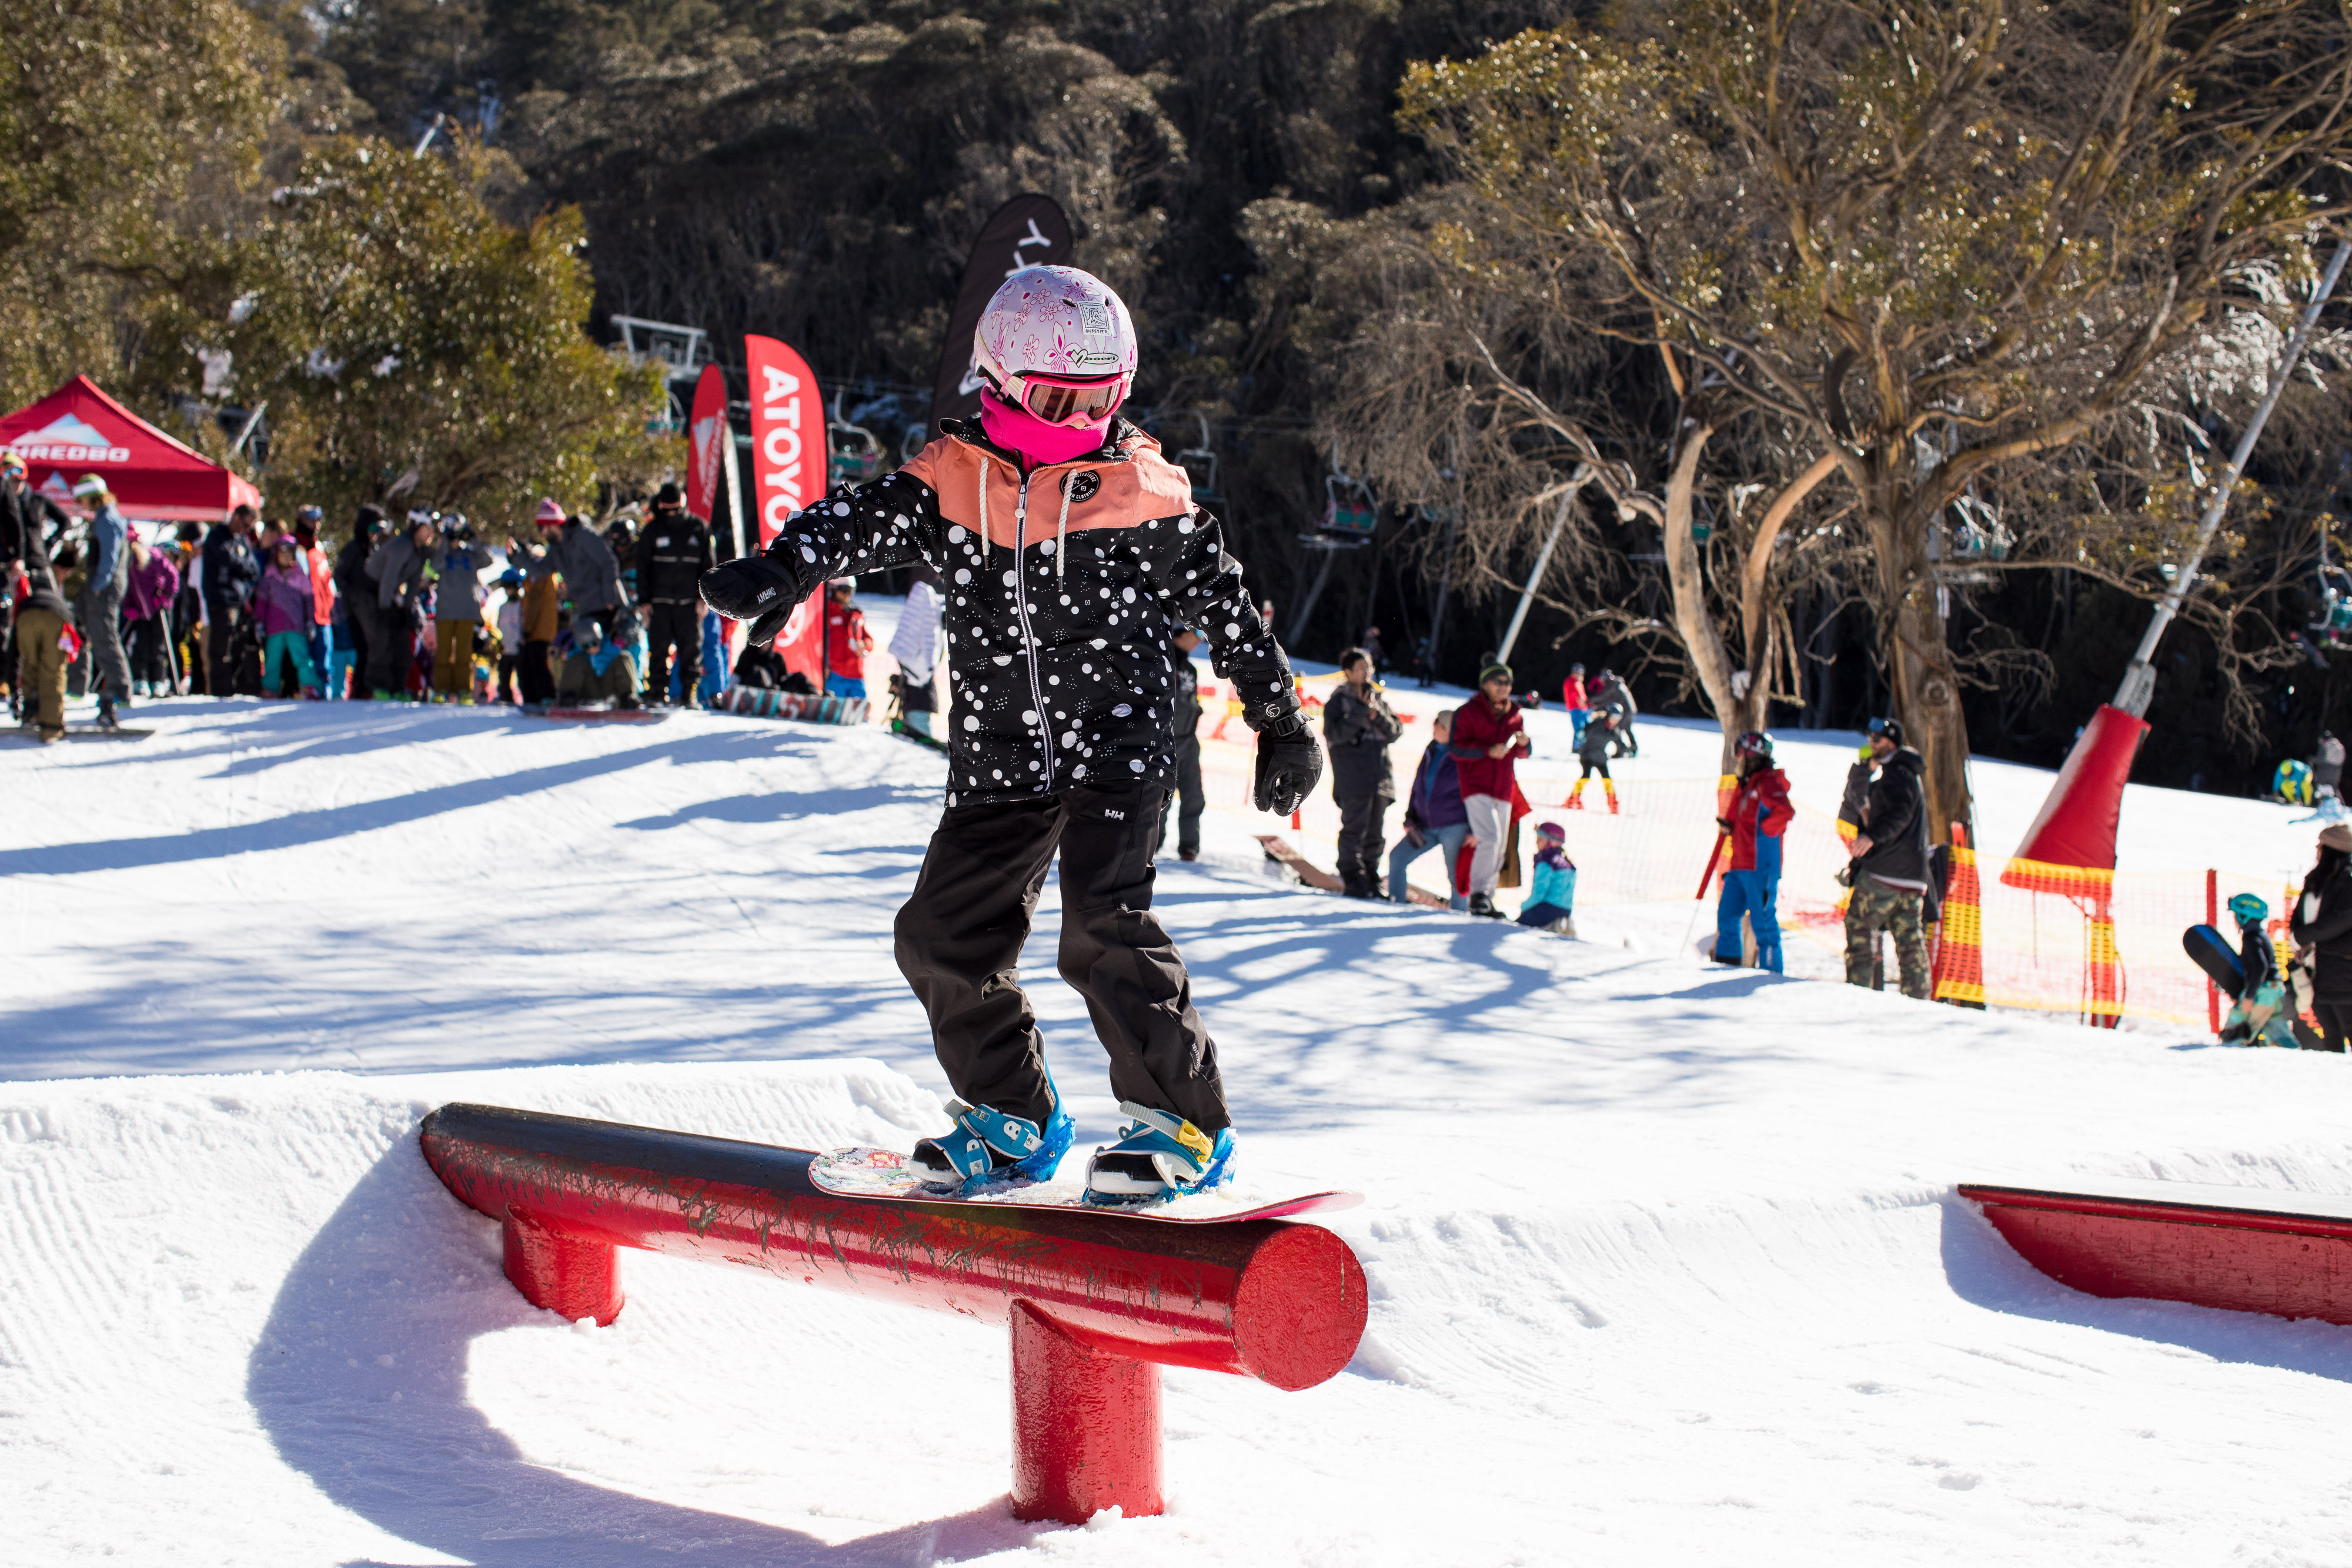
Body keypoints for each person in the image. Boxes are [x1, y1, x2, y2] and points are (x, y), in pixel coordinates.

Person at [698, 263, 1319, 1206]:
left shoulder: (1136, 486)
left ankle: (1180, 1122)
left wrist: (1279, 718)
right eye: (1059, 400)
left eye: (1102, 399)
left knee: (1103, 928)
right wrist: (783, 568)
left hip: (1119, 738)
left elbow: (1224, 600)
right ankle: (1012, 1113)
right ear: (997, 380)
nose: (1082, 421)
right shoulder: (949, 480)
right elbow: (858, 518)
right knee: (942, 937)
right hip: (1000, 752)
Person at [1843, 716, 1933, 998]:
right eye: (1869, 737)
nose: (1871, 743)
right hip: (1912, 877)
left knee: (1859, 926)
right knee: (1909, 940)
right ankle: (1918, 1001)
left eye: (1877, 739)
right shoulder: (1902, 773)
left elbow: (1900, 815)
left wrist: (1872, 837)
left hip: (1886, 871)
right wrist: (1865, 769)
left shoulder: (1897, 773)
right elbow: (1858, 799)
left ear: (1892, 743)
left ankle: (1859, 994)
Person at [1450, 662, 1532, 918]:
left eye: (1507, 683)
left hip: (1504, 787)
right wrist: (1487, 751)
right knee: (1490, 837)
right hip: (1476, 785)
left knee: (1500, 845)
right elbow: (1456, 748)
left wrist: (1524, 745)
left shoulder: (1516, 715)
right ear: (1485, 684)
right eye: (1498, 682)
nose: (1504, 688)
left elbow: (1524, 754)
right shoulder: (1468, 711)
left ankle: (1487, 897)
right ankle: (1478, 895)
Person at [1324, 645, 1404, 897]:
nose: (1367, 672)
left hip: (1380, 776)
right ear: (1347, 672)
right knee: (1354, 829)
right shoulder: (1339, 701)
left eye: (1369, 667)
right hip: (1352, 776)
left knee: (1375, 832)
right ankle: (1351, 876)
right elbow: (1335, 735)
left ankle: (1371, 876)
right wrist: (1359, 712)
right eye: (1360, 668)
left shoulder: (1377, 699)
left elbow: (1395, 731)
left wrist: (1376, 715)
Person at [1714, 730, 1794, 972]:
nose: (1738, 758)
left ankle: (1772, 975)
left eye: (1741, 752)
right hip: (1739, 865)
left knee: (1763, 924)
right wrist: (1733, 827)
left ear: (1752, 754)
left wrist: (1764, 832)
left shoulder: (1768, 782)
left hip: (1761, 867)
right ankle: (1726, 968)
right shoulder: (1747, 783)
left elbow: (1784, 812)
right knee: (1727, 916)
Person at [639, 483, 714, 706]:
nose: (671, 515)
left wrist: (705, 598)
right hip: (659, 602)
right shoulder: (651, 531)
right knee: (658, 648)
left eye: (675, 510)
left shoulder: (699, 528)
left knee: (692, 648)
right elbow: (643, 569)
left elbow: (709, 567)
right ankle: (657, 691)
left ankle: (689, 692)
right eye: (667, 510)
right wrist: (644, 602)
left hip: (690, 603)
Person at [1388, 709, 1471, 909]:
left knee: (1456, 875)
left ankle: (1460, 917)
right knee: (1397, 858)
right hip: (1425, 824)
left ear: (1447, 729)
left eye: (1437, 723)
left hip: (1454, 826)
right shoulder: (1432, 749)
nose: (1433, 726)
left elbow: (1473, 794)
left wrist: (1473, 829)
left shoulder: (1463, 755)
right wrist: (1411, 816)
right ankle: (1394, 907)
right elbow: (1418, 785)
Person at [11, 483, 74, 741]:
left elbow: (65, 522)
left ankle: (49, 724)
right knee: (34, 661)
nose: (12, 481)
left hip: (37, 566)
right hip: (16, 572)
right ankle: (33, 713)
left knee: (52, 666)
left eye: (18, 474)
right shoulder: (6, 503)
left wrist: (50, 543)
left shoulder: (36, 501)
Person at [69, 476, 132, 727]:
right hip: (102, 587)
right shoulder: (106, 516)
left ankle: (120, 688)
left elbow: (109, 556)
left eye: (81, 498)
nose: (80, 503)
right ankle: (77, 685)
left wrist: (97, 586)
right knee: (84, 631)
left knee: (104, 637)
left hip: (103, 589)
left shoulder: (107, 519)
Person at [514, 500, 624, 635]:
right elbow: (540, 570)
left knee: (608, 651)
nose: (540, 533)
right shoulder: (556, 549)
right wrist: (517, 556)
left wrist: (609, 597)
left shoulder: (583, 535)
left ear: (553, 525)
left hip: (606, 607)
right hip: (585, 609)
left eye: (541, 528)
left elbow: (609, 563)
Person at [2293, 823, 2352, 1051]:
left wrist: (2304, 936)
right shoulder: (2315, 879)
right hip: (2315, 967)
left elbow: (2343, 919)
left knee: (2348, 1025)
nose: (2317, 849)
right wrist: (2295, 938)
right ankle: (2333, 1079)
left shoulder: (2348, 880)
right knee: (2330, 1031)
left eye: (2321, 845)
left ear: (2331, 849)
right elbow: (2298, 914)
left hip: (2342, 968)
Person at [368, 513, 437, 697]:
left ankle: (397, 688)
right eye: (428, 527)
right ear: (416, 526)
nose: (432, 532)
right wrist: (385, 608)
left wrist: (407, 609)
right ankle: (379, 689)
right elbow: (388, 579)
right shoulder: (402, 546)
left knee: (404, 640)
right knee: (383, 638)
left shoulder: (421, 550)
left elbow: (414, 582)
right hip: (371, 591)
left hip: (390, 596)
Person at [1155, 624, 1207, 861]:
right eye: (1196, 634)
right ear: (1180, 632)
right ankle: (1153, 843)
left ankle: (1189, 847)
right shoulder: (1161, 659)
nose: (1199, 640)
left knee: (1194, 796)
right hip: (1164, 742)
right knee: (1159, 796)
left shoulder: (1191, 669)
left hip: (1188, 743)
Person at [202, 504, 262, 697]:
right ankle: (221, 692)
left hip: (240, 603)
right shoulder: (216, 537)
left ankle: (232, 689)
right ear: (235, 517)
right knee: (221, 649)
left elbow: (254, 570)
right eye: (246, 525)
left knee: (239, 648)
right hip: (221, 602)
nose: (247, 531)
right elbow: (226, 560)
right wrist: (240, 563)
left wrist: (239, 562)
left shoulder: (243, 541)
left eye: (250, 528)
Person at [254, 535, 322, 697]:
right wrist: (259, 623)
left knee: (302, 658)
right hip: (274, 627)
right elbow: (262, 602)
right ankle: (270, 688)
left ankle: (309, 686)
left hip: (295, 625)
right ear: (275, 553)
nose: (285, 555)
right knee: (272, 660)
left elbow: (309, 600)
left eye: (289, 551)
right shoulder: (268, 577)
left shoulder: (300, 576)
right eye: (282, 551)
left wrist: (311, 622)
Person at [429, 521, 489, 702]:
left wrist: (474, 540)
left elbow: (488, 560)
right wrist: (445, 544)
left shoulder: (471, 555)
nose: (456, 540)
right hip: (445, 611)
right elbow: (433, 568)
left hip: (467, 611)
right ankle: (441, 690)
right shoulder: (441, 554)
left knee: (464, 654)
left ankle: (464, 691)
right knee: (443, 653)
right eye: (453, 536)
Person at [332, 506, 385, 700]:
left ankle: (367, 686)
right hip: (354, 610)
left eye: (379, 530)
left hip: (372, 608)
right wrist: (353, 595)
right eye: (373, 528)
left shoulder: (374, 550)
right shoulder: (352, 549)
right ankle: (359, 687)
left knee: (371, 648)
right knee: (360, 648)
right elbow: (339, 576)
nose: (376, 534)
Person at [122, 529, 182, 696]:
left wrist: (164, 597)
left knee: (159, 646)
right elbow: (126, 588)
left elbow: (172, 575)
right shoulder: (126, 563)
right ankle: (140, 680)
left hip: (159, 610)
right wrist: (128, 607)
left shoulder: (152, 555)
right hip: (140, 611)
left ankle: (158, 681)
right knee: (140, 645)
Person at [889, 560, 945, 737]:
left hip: (916, 674)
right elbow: (930, 636)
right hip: (919, 677)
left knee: (918, 715)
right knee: (918, 718)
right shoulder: (926, 593)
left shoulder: (923, 593)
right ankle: (920, 736)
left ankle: (919, 734)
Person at [293, 507, 336, 691]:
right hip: (301, 617)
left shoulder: (318, 547)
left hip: (323, 616)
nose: (316, 526)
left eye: (318, 521)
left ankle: (324, 697)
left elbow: (327, 581)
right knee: (304, 662)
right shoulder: (292, 545)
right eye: (312, 521)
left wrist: (330, 604)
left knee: (324, 662)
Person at [555, 616, 641, 706]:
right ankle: (568, 696)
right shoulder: (578, 654)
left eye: (594, 644)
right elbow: (568, 659)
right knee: (576, 660)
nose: (592, 649)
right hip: (590, 688)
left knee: (624, 658)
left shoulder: (611, 648)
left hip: (609, 687)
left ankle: (628, 697)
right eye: (587, 646)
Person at [1516, 822, 1577, 933]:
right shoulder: (1568, 864)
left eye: (1541, 839)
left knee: (1516, 927)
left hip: (1546, 910)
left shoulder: (1546, 863)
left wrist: (1524, 907)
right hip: (1565, 912)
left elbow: (1538, 894)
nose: (1537, 842)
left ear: (1552, 842)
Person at [823, 578, 872, 700]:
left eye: (851, 591)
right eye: (845, 590)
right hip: (834, 675)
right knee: (835, 714)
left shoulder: (856, 614)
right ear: (833, 590)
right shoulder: (825, 613)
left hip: (857, 676)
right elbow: (816, 643)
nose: (848, 595)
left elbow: (869, 640)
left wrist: (865, 645)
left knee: (860, 715)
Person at [1569, 708, 1618, 812]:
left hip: (1600, 758)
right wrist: (1581, 735)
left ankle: (1613, 803)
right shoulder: (1597, 724)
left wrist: (1627, 750)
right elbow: (1586, 730)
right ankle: (1573, 799)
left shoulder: (1613, 731)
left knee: (1607, 780)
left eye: (1617, 718)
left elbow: (1620, 743)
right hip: (1587, 755)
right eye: (1613, 717)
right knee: (1586, 777)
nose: (1615, 720)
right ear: (1608, 716)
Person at [493, 570, 526, 703]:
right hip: (506, 648)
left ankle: (527, 697)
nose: (508, 591)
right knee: (504, 674)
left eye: (510, 587)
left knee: (523, 676)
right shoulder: (503, 607)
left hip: (519, 647)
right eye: (506, 587)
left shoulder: (522, 606)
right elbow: (500, 627)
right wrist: (500, 644)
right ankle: (505, 696)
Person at [1592, 667, 1638, 757]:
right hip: (1630, 710)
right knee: (1627, 730)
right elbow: (1609, 700)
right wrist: (1599, 706)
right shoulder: (1618, 684)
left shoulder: (1613, 685)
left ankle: (1620, 752)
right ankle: (1634, 749)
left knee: (1617, 730)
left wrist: (1588, 701)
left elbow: (1603, 696)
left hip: (1625, 711)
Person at [1561, 662, 1591, 745]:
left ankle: (1584, 745)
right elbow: (1570, 694)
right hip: (1575, 708)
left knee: (1587, 727)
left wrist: (1588, 702)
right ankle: (1577, 746)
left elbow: (1583, 695)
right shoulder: (1569, 681)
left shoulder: (1579, 683)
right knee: (1579, 728)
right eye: (1578, 672)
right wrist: (1579, 699)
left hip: (1583, 709)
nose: (1579, 674)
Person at [2318, 731, 2346, 802]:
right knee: (2334, 787)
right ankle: (2341, 804)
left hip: (2327, 768)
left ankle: (2321, 803)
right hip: (2338, 769)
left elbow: (2322, 759)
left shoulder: (2326, 745)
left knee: (2322, 786)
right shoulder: (2338, 745)